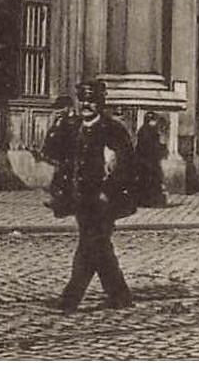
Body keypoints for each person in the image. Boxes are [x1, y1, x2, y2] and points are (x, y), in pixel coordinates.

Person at [48, 79, 136, 312]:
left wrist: (108, 192)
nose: (86, 105)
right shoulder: (73, 126)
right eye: (83, 100)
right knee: (100, 247)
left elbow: (124, 166)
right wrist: (57, 125)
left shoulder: (112, 130)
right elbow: (52, 153)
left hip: (102, 199)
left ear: (100, 103)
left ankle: (70, 299)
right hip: (79, 198)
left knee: (89, 246)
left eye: (92, 101)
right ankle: (120, 295)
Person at [135, 111, 168, 209]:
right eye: (153, 120)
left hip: (145, 161)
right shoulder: (148, 131)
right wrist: (161, 147)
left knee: (146, 181)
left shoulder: (145, 130)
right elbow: (149, 147)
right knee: (151, 181)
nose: (155, 123)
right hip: (148, 161)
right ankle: (150, 201)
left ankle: (145, 200)